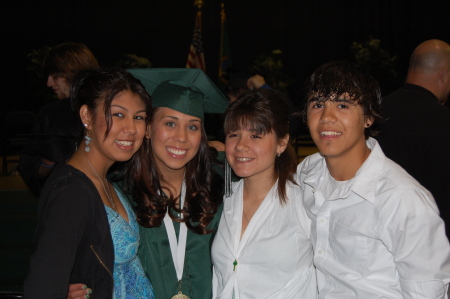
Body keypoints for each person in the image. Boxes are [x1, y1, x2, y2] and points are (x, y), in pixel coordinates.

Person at [295, 60, 450, 298]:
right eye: (317, 104)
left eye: (343, 105)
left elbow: (427, 292)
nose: (327, 116)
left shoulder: (402, 199)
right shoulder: (309, 172)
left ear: (368, 117)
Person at [24, 67, 155, 299]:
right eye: (118, 114)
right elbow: (43, 285)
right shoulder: (71, 191)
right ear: (87, 117)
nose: (131, 129)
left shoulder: (107, 182)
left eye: (138, 117)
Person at [126, 68, 229, 299]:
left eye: (192, 126)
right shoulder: (123, 194)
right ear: (149, 128)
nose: (182, 137)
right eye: (170, 123)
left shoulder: (222, 188)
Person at [211, 89, 317, 298]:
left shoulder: (305, 202)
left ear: (282, 143)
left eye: (255, 136)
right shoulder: (222, 200)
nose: (241, 145)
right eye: (234, 134)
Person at [375, 39, 450, 238]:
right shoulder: (443, 121)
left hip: (378, 230)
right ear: (444, 75)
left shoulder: (375, 114)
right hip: (429, 236)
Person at [19, 42, 99, 197]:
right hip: (65, 198)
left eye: (56, 76)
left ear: (74, 73)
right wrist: (47, 161)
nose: (49, 83)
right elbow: (30, 168)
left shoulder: (108, 109)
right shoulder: (50, 114)